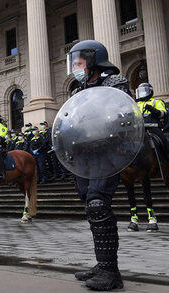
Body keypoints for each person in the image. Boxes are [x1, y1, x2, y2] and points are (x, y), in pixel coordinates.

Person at [68, 39, 129, 290]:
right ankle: (102, 264)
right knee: (90, 203)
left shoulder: (115, 85)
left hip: (108, 153)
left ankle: (111, 272)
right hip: (85, 156)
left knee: (97, 203)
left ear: (93, 62)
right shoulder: (77, 91)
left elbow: (124, 117)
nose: (75, 67)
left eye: (79, 62)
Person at [129, 82, 167, 232]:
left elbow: (164, 114)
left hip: (153, 129)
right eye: (140, 91)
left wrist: (156, 112)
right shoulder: (135, 105)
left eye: (144, 90)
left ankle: (165, 161)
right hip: (138, 132)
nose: (142, 93)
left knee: (163, 141)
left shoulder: (157, 101)